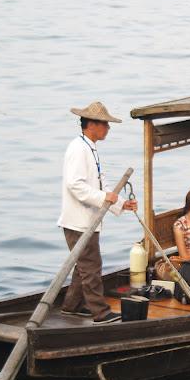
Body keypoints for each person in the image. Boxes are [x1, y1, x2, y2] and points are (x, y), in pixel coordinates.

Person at [57, 102, 138, 324]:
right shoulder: (78, 148)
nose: (108, 129)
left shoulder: (90, 148)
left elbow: (103, 185)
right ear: (91, 124)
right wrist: (104, 198)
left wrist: (120, 203)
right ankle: (100, 313)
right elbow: (76, 185)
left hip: (87, 219)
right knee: (91, 266)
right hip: (78, 221)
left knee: (83, 265)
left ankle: (71, 306)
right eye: (105, 124)